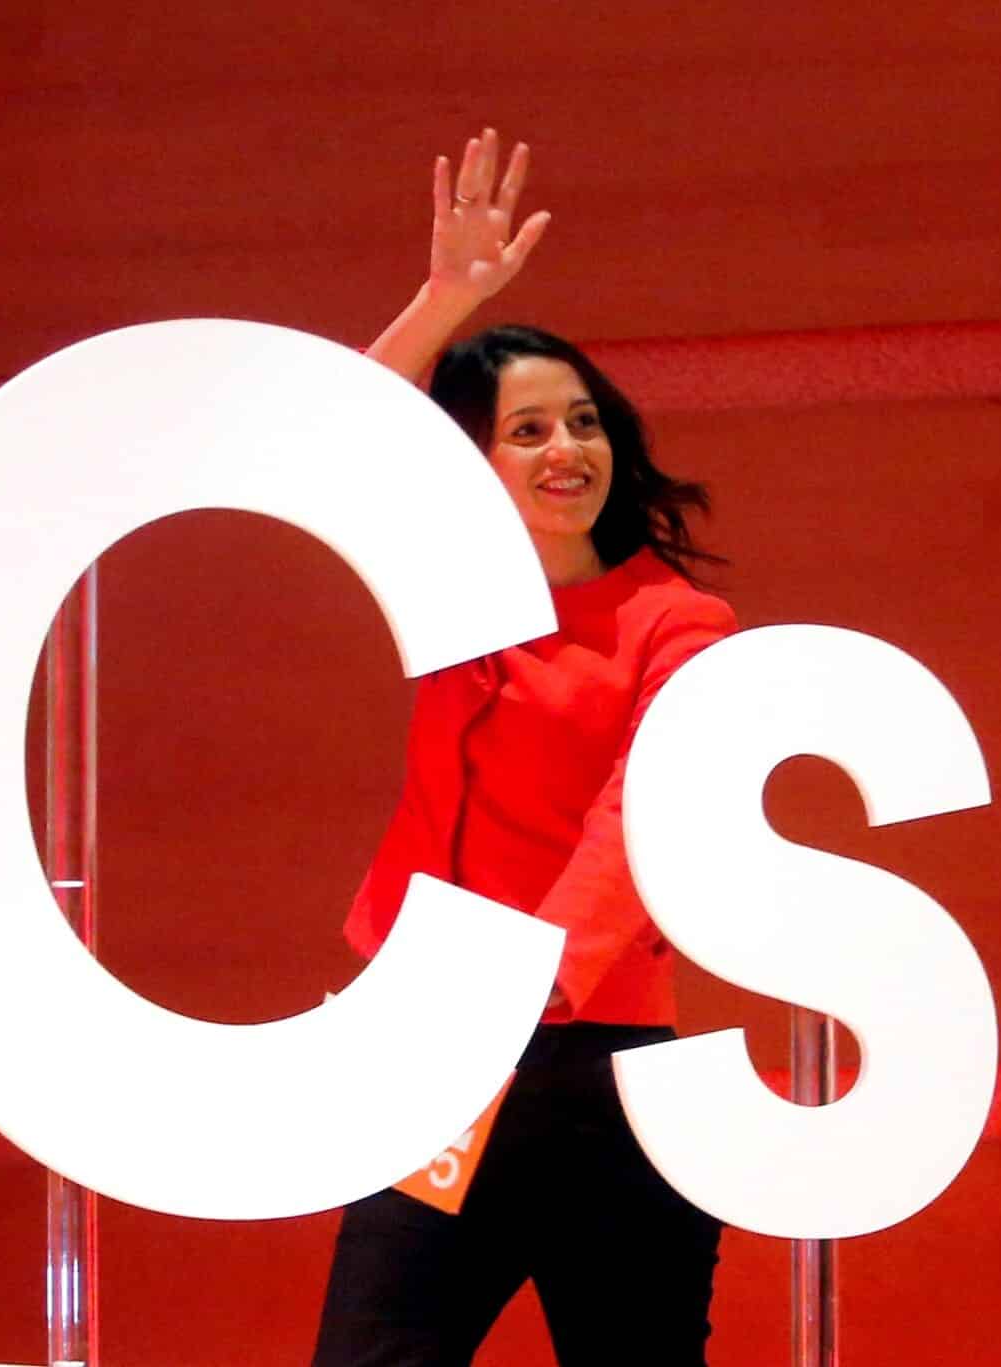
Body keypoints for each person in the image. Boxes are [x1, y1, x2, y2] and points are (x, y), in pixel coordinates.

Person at [311, 130, 734, 1367]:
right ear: (469, 462)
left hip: (600, 1068)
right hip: (443, 1063)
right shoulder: (448, 600)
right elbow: (336, 445)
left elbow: (636, 829)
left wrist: (509, 996)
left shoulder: (678, 621)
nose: (565, 451)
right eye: (526, 429)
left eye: (581, 421)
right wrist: (448, 301)